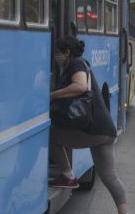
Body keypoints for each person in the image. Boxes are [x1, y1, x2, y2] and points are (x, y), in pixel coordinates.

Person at [49, 36, 129, 214]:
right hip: (105, 130)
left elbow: (80, 86)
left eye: (57, 53)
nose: (56, 57)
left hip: (93, 130)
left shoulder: (75, 64)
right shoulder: (80, 63)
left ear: (67, 52)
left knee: (51, 135)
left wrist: (53, 95)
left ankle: (68, 176)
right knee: (110, 176)